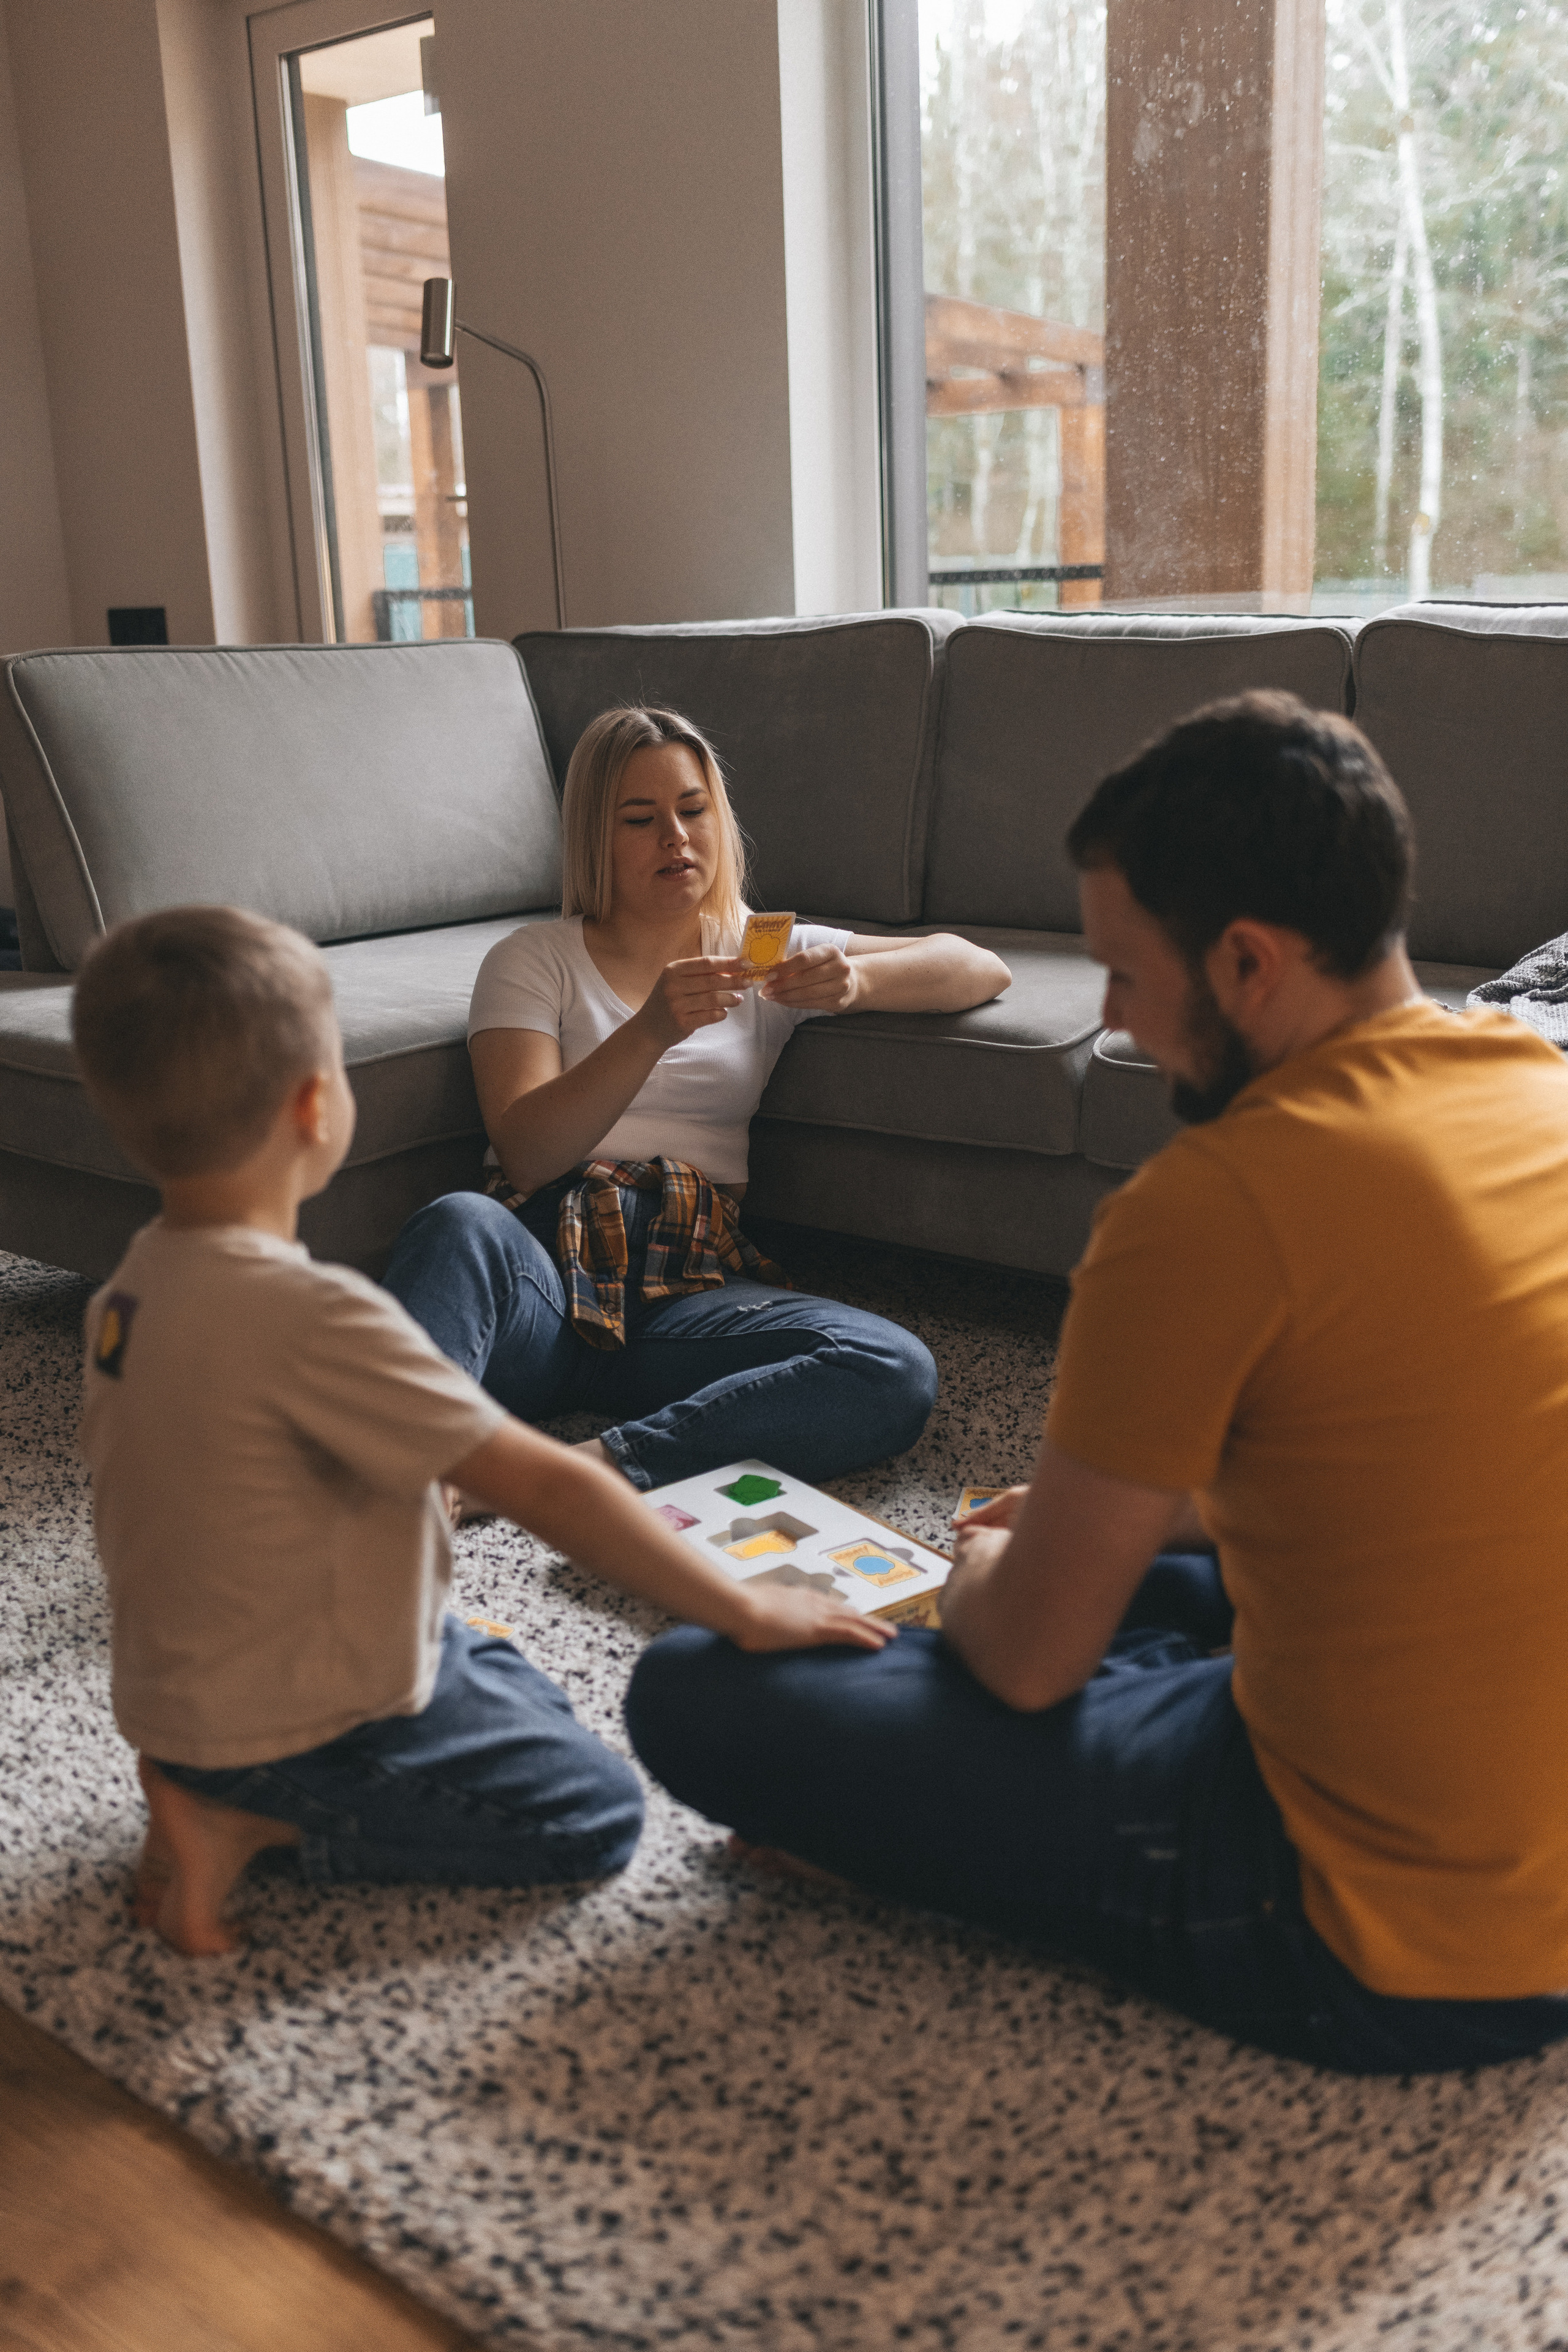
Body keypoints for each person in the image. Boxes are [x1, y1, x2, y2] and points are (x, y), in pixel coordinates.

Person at [625, 690, 1568, 2076]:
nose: (1114, 1021)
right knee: (1162, 1577)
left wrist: (982, 1571)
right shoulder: (1531, 1083)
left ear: (1245, 962)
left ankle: (944, 1847)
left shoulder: (1212, 1200)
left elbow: (1025, 1659)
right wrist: (1160, 1519)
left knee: (700, 1686)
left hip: (1370, 1944)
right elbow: (1424, 1461)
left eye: (1124, 974)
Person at [72, 906, 889, 1959]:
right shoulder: (318, 1321)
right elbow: (549, 1488)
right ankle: (250, 1818)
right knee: (592, 1813)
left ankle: (214, 1772)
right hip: (293, 1715)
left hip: (188, 1684)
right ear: (318, 1106)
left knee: (504, 1672)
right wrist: (745, 1608)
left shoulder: (127, 1294)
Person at [382, 706, 1010, 1491]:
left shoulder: (758, 951)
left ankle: (587, 1470)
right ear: (594, 838)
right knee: (457, 1224)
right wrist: (649, 1029)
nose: (675, 837)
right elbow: (528, 1153)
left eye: (693, 810)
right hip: (540, 1281)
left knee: (890, 1366)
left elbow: (978, 966)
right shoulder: (534, 958)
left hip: (681, 1297)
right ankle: (397, 1484)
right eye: (640, 819)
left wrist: (856, 981)